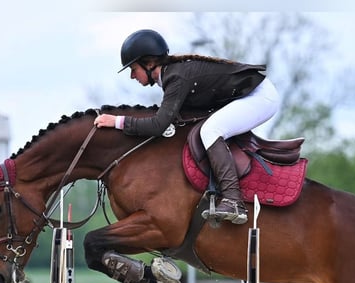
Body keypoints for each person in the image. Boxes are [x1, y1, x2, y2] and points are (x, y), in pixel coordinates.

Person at [94, 29, 280, 225]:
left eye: (133, 69)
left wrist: (117, 122)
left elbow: (158, 125)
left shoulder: (176, 78)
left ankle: (233, 201)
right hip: (250, 95)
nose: (132, 76)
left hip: (260, 97)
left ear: (149, 64)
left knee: (210, 130)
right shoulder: (171, 76)